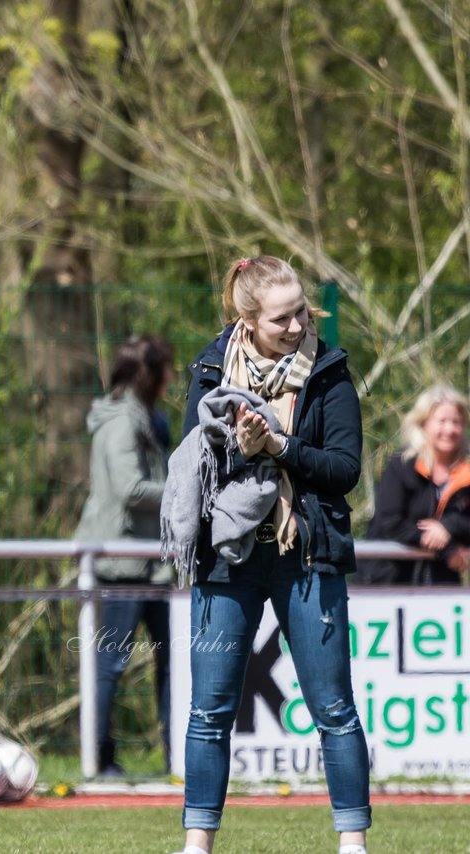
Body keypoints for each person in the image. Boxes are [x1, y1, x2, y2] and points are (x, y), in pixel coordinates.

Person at [163, 256, 370, 854]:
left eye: (303, 311)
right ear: (246, 319)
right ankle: (197, 844)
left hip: (305, 551)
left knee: (334, 708)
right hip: (227, 559)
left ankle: (352, 843)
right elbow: (192, 467)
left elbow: (343, 470)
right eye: (283, 318)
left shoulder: (329, 373)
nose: (299, 325)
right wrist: (236, 447)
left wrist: (278, 445)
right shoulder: (208, 368)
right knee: (209, 710)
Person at [74, 334, 175, 776]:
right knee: (109, 663)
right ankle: (97, 759)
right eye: (167, 368)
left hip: (155, 561)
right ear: (149, 374)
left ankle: (181, 755)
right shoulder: (120, 423)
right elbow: (130, 488)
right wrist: (185, 491)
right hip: (120, 562)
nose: (173, 377)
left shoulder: (150, 418)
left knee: (173, 661)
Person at [358, 384, 470, 585]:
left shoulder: (467, 472)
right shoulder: (401, 465)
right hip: (386, 581)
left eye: (456, 422)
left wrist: (448, 526)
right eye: (442, 421)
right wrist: (448, 548)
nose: (450, 429)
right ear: (423, 423)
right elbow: (390, 523)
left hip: (441, 586)